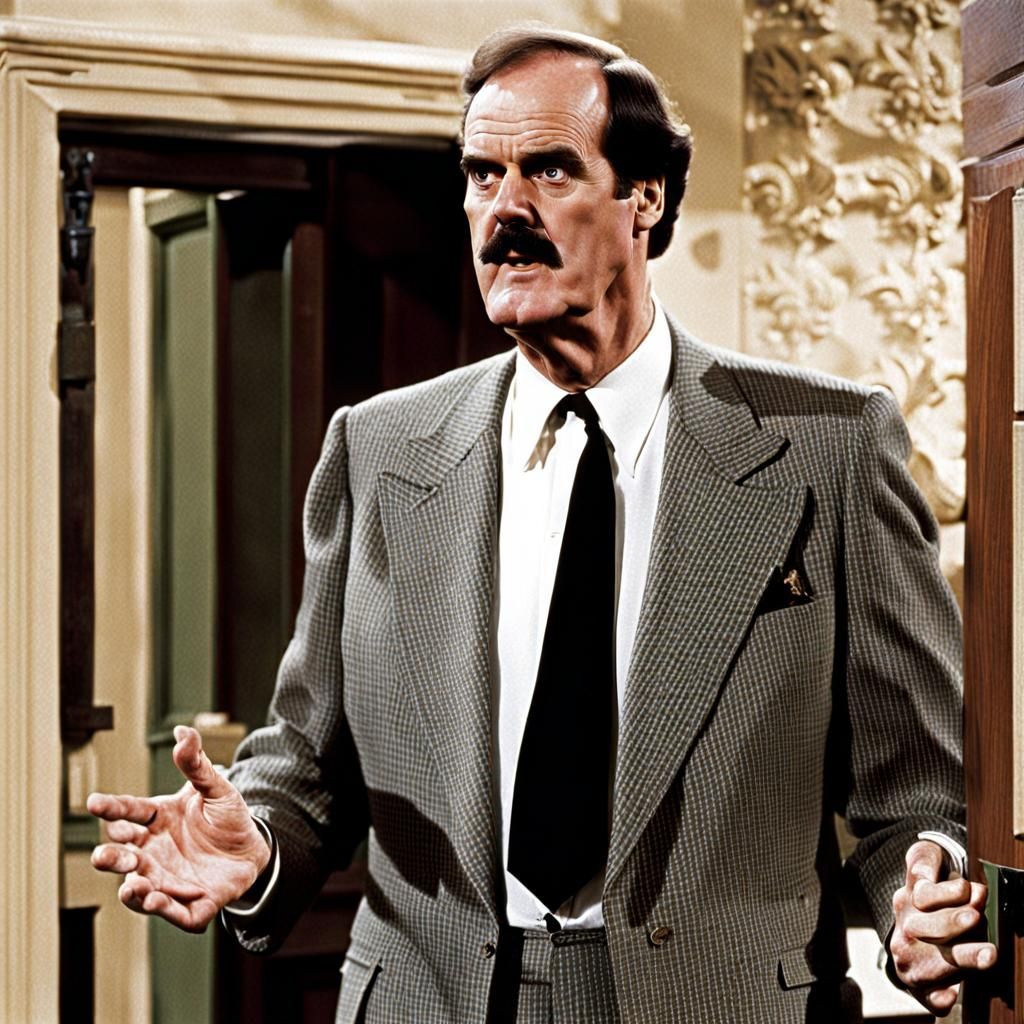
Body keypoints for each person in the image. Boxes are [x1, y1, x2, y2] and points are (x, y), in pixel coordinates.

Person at [88, 25, 995, 1023]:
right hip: (434, 999)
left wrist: (925, 891)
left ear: (645, 196)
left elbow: (917, 792)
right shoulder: (379, 450)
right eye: (482, 174)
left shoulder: (827, 445)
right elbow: (308, 757)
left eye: (549, 169)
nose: (504, 210)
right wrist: (258, 844)